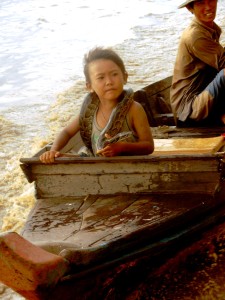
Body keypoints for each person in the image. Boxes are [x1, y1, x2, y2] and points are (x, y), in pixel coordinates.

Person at [40, 47, 154, 163]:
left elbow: (148, 146)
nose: (109, 81)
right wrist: (53, 150)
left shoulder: (134, 109)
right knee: (60, 157)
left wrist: (122, 147)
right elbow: (66, 132)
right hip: (97, 165)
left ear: (125, 77)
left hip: (130, 167)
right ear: (89, 86)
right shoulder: (88, 112)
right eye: (101, 77)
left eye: (114, 74)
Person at [170, 0, 225, 127]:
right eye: (200, 3)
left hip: (201, 97)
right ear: (190, 8)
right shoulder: (196, 36)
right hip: (188, 111)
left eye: (211, 0)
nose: (208, 7)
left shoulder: (210, 28)